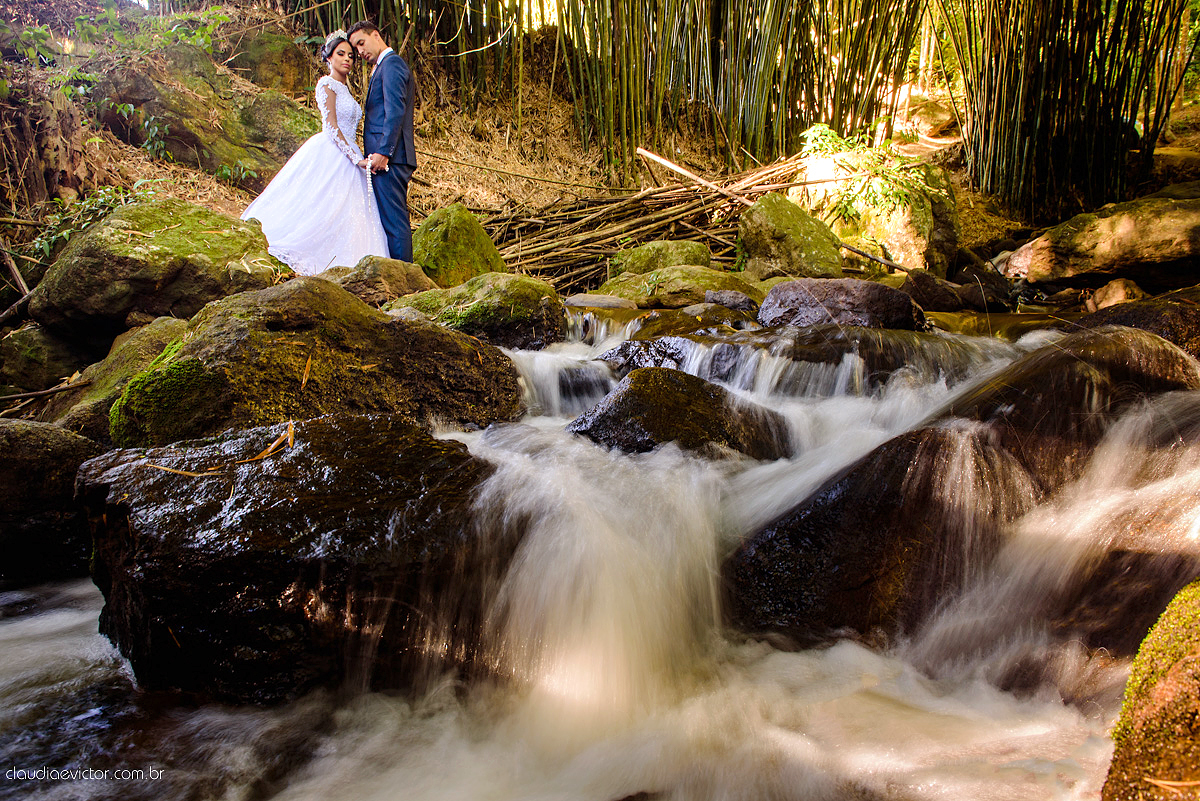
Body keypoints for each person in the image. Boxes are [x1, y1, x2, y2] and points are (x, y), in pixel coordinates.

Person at [240, 30, 388, 276]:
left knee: (348, 211)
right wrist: (354, 158)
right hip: (331, 151)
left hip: (350, 150)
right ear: (329, 58)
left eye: (351, 55)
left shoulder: (347, 90)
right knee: (318, 204)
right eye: (340, 54)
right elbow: (331, 125)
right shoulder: (326, 84)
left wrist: (356, 155)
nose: (347, 59)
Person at [348, 20, 417, 262]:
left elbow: (395, 111)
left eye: (361, 43)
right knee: (389, 220)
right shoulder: (383, 66)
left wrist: (384, 151)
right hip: (388, 157)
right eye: (356, 48)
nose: (360, 51)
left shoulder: (392, 64)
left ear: (375, 35)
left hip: (391, 158)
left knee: (394, 222)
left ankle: (405, 282)